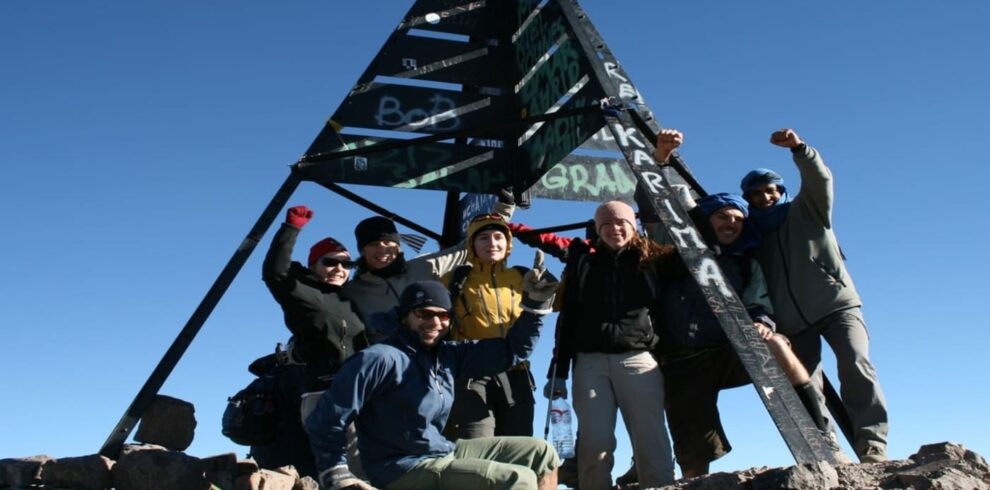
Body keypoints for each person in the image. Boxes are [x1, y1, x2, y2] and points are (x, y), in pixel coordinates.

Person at [305, 271, 561, 490]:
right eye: (424, 314)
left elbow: (511, 351)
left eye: (444, 315)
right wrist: (335, 469)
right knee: (518, 479)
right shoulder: (380, 359)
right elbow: (327, 415)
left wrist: (535, 307)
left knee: (542, 453)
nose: (435, 322)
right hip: (399, 467)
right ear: (405, 316)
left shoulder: (448, 355)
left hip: (441, 451)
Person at [656, 191, 837, 477]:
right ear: (706, 219)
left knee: (776, 345)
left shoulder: (744, 261)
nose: (731, 223)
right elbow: (650, 204)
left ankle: (821, 432)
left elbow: (758, 300)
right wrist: (662, 158)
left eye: (738, 219)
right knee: (694, 452)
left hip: (727, 352)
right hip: (682, 360)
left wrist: (762, 321)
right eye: (722, 217)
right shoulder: (674, 251)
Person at [739, 128, 888, 463]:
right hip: (792, 321)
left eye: (770, 190)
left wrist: (799, 149)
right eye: (756, 194)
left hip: (837, 306)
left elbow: (820, 180)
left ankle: (872, 443)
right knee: (806, 383)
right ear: (748, 200)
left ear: (781, 190)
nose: (765, 197)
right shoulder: (751, 237)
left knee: (856, 364)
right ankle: (826, 445)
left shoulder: (808, 210)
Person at [545, 200, 676, 489]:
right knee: (594, 443)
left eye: (621, 223)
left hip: (639, 358)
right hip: (589, 363)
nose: (614, 229)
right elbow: (569, 319)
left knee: (650, 438)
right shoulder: (585, 263)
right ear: (597, 229)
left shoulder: (653, 259)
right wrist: (559, 370)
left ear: (633, 226)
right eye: (606, 224)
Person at [262, 205, 370, 475]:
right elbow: (275, 273)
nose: (338, 268)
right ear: (314, 265)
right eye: (329, 262)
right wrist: (291, 229)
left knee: (367, 469)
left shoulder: (350, 300)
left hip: (362, 392)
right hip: (325, 393)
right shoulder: (302, 293)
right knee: (342, 471)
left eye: (346, 264)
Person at [343, 200, 515, 340]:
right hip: (389, 370)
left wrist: (505, 205)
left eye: (389, 243)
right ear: (362, 251)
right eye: (373, 244)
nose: (382, 250)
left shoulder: (425, 265)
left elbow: (469, 244)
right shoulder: (352, 291)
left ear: (399, 246)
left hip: (435, 362)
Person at [441, 213, 535, 439]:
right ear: (472, 243)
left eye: (498, 237)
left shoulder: (524, 276)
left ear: (508, 243)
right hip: (472, 373)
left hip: (517, 374)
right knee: (476, 445)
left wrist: (557, 278)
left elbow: (562, 301)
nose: (492, 243)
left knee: (518, 447)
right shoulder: (454, 279)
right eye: (483, 238)